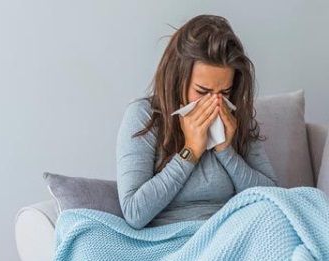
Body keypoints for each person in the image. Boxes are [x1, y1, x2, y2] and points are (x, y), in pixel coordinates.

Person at [116, 14, 278, 229]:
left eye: (225, 92)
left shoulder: (234, 118)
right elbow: (134, 212)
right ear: (177, 79)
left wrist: (225, 150)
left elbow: (274, 197)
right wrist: (190, 151)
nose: (214, 102)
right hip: (175, 240)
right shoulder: (144, 115)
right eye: (202, 91)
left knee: (311, 201)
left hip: (233, 232)